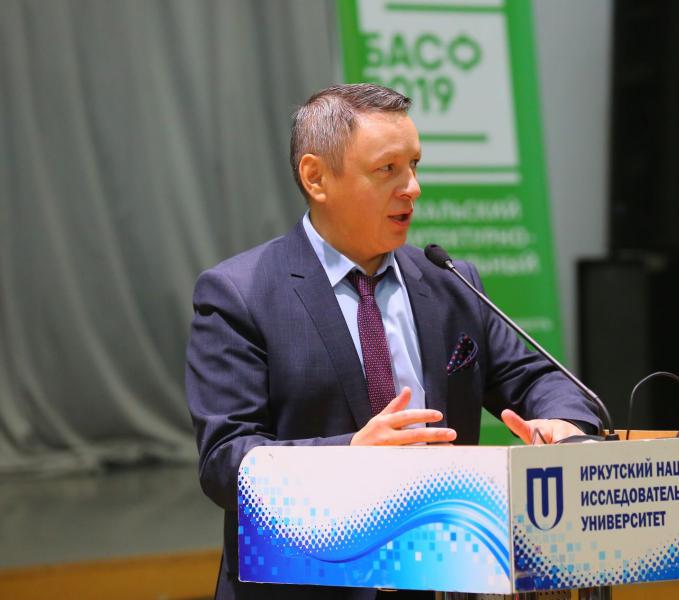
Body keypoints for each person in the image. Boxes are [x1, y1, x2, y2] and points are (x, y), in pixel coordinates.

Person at [185, 83, 600, 600]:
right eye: (387, 169)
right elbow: (226, 463)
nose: (413, 188)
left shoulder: (449, 282)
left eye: (415, 165)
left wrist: (565, 426)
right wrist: (352, 454)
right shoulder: (239, 295)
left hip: (446, 575)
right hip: (311, 583)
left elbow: (537, 377)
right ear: (316, 177)